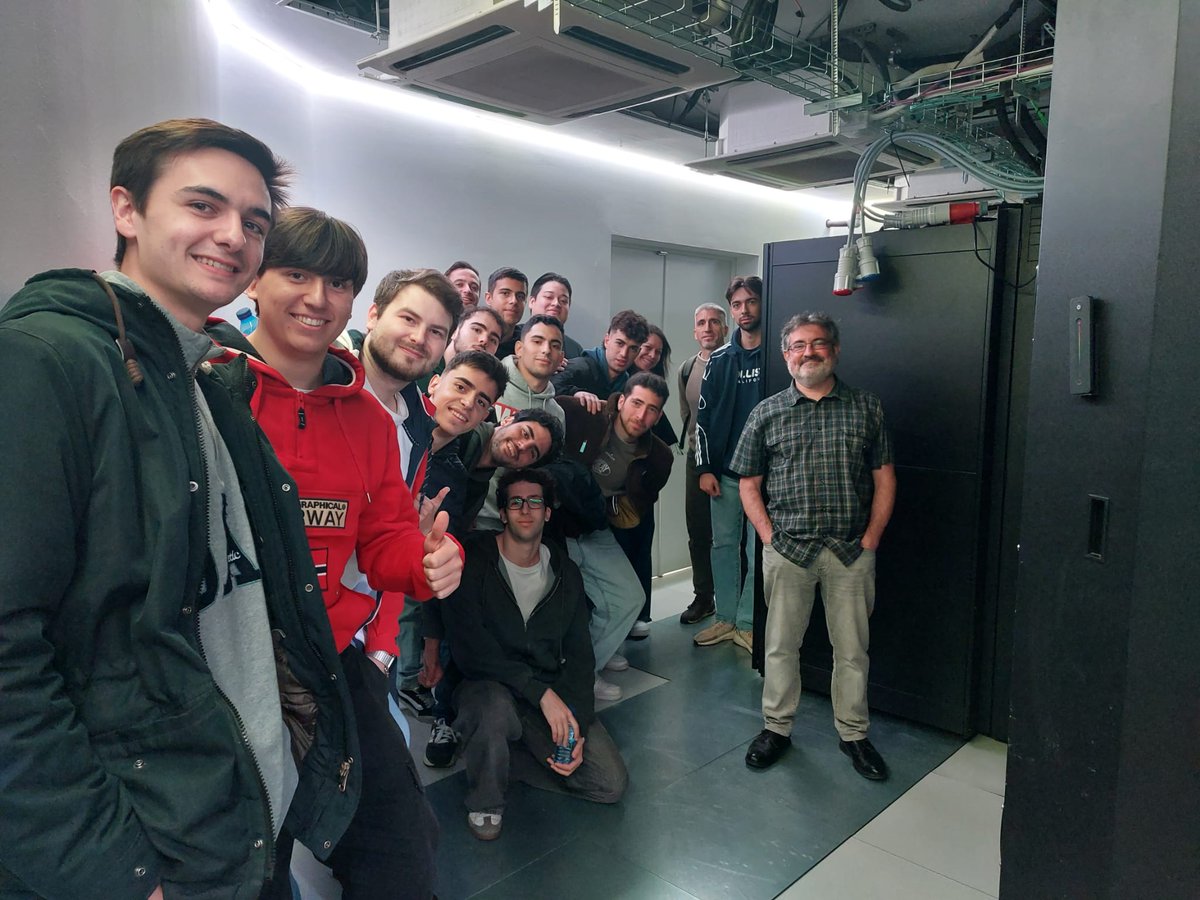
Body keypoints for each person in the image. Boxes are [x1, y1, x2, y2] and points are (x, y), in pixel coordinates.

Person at [0, 118, 357, 898]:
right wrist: (113, 871)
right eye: (204, 206)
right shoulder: (47, 361)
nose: (233, 235)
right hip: (145, 847)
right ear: (126, 210)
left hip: (236, 815)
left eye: (254, 222)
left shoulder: (207, 383)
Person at [213, 206, 465, 897]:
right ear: (254, 282)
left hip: (332, 663)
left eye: (335, 283)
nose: (317, 299)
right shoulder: (207, 387)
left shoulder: (368, 419)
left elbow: (385, 541)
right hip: (222, 672)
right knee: (253, 866)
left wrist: (428, 561)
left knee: (401, 851)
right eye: (296, 274)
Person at [733, 313, 897, 781]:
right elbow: (748, 483)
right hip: (789, 552)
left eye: (819, 343)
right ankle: (776, 730)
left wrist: (871, 540)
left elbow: (884, 478)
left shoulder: (867, 407)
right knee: (781, 647)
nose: (809, 352)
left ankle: (853, 735)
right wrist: (768, 537)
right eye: (799, 345)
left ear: (836, 350)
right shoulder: (766, 412)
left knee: (852, 652)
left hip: (850, 553)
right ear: (786, 355)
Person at [440, 469, 628, 840]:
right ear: (505, 512)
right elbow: (470, 652)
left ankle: (497, 758)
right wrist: (542, 695)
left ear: (547, 513)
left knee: (609, 784)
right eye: (516, 502)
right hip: (487, 686)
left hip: (541, 692)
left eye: (535, 501)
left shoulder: (566, 573)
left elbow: (580, 656)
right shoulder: (473, 560)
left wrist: (576, 721)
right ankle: (486, 799)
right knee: (490, 710)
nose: (526, 509)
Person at [347, 268, 461, 717]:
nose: (419, 338)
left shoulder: (418, 426)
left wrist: (380, 648)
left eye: (436, 332)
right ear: (373, 315)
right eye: (408, 319)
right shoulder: (327, 389)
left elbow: (394, 537)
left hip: (365, 623)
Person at [556, 372, 674, 699]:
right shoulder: (585, 414)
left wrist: (617, 506)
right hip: (553, 525)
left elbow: (640, 502)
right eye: (636, 403)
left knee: (629, 598)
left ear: (659, 416)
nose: (641, 415)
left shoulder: (659, 457)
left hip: (596, 529)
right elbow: (549, 401)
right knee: (565, 603)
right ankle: (569, 670)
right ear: (621, 401)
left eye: (652, 409)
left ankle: (589, 665)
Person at [693, 275, 765, 654]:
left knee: (759, 550)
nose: (744, 310)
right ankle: (725, 618)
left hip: (765, 477)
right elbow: (702, 420)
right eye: (737, 304)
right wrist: (704, 468)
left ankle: (749, 624)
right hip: (724, 474)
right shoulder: (719, 360)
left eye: (750, 302)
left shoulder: (778, 354)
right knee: (722, 546)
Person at [677, 303, 729, 624]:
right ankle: (703, 597)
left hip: (732, 460)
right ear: (695, 331)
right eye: (701, 323)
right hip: (698, 460)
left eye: (714, 322)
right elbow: (687, 415)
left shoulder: (738, 364)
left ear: (725, 328)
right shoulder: (686, 369)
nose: (707, 328)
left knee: (732, 535)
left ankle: (733, 603)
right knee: (698, 531)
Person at [552, 309, 649, 413]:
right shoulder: (580, 368)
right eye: (620, 343)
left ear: (638, 352)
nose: (624, 354)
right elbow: (547, 386)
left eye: (633, 349)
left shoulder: (629, 387)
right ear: (607, 341)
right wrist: (574, 393)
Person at [493, 313, 567, 426]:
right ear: (519, 349)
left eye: (555, 346)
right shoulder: (490, 383)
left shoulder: (557, 415)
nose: (546, 350)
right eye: (537, 342)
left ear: (561, 359)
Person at [416, 304, 503, 392]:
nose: (484, 340)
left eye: (493, 340)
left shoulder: (485, 393)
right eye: (477, 330)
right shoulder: (419, 369)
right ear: (455, 331)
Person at [513, 271, 584, 359]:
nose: (556, 303)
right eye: (548, 297)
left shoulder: (575, 350)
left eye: (563, 301)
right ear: (532, 302)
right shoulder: (511, 337)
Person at [484, 265, 528, 352]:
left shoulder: (527, 345)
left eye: (520, 296)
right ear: (489, 298)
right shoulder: (473, 338)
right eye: (505, 293)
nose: (514, 301)